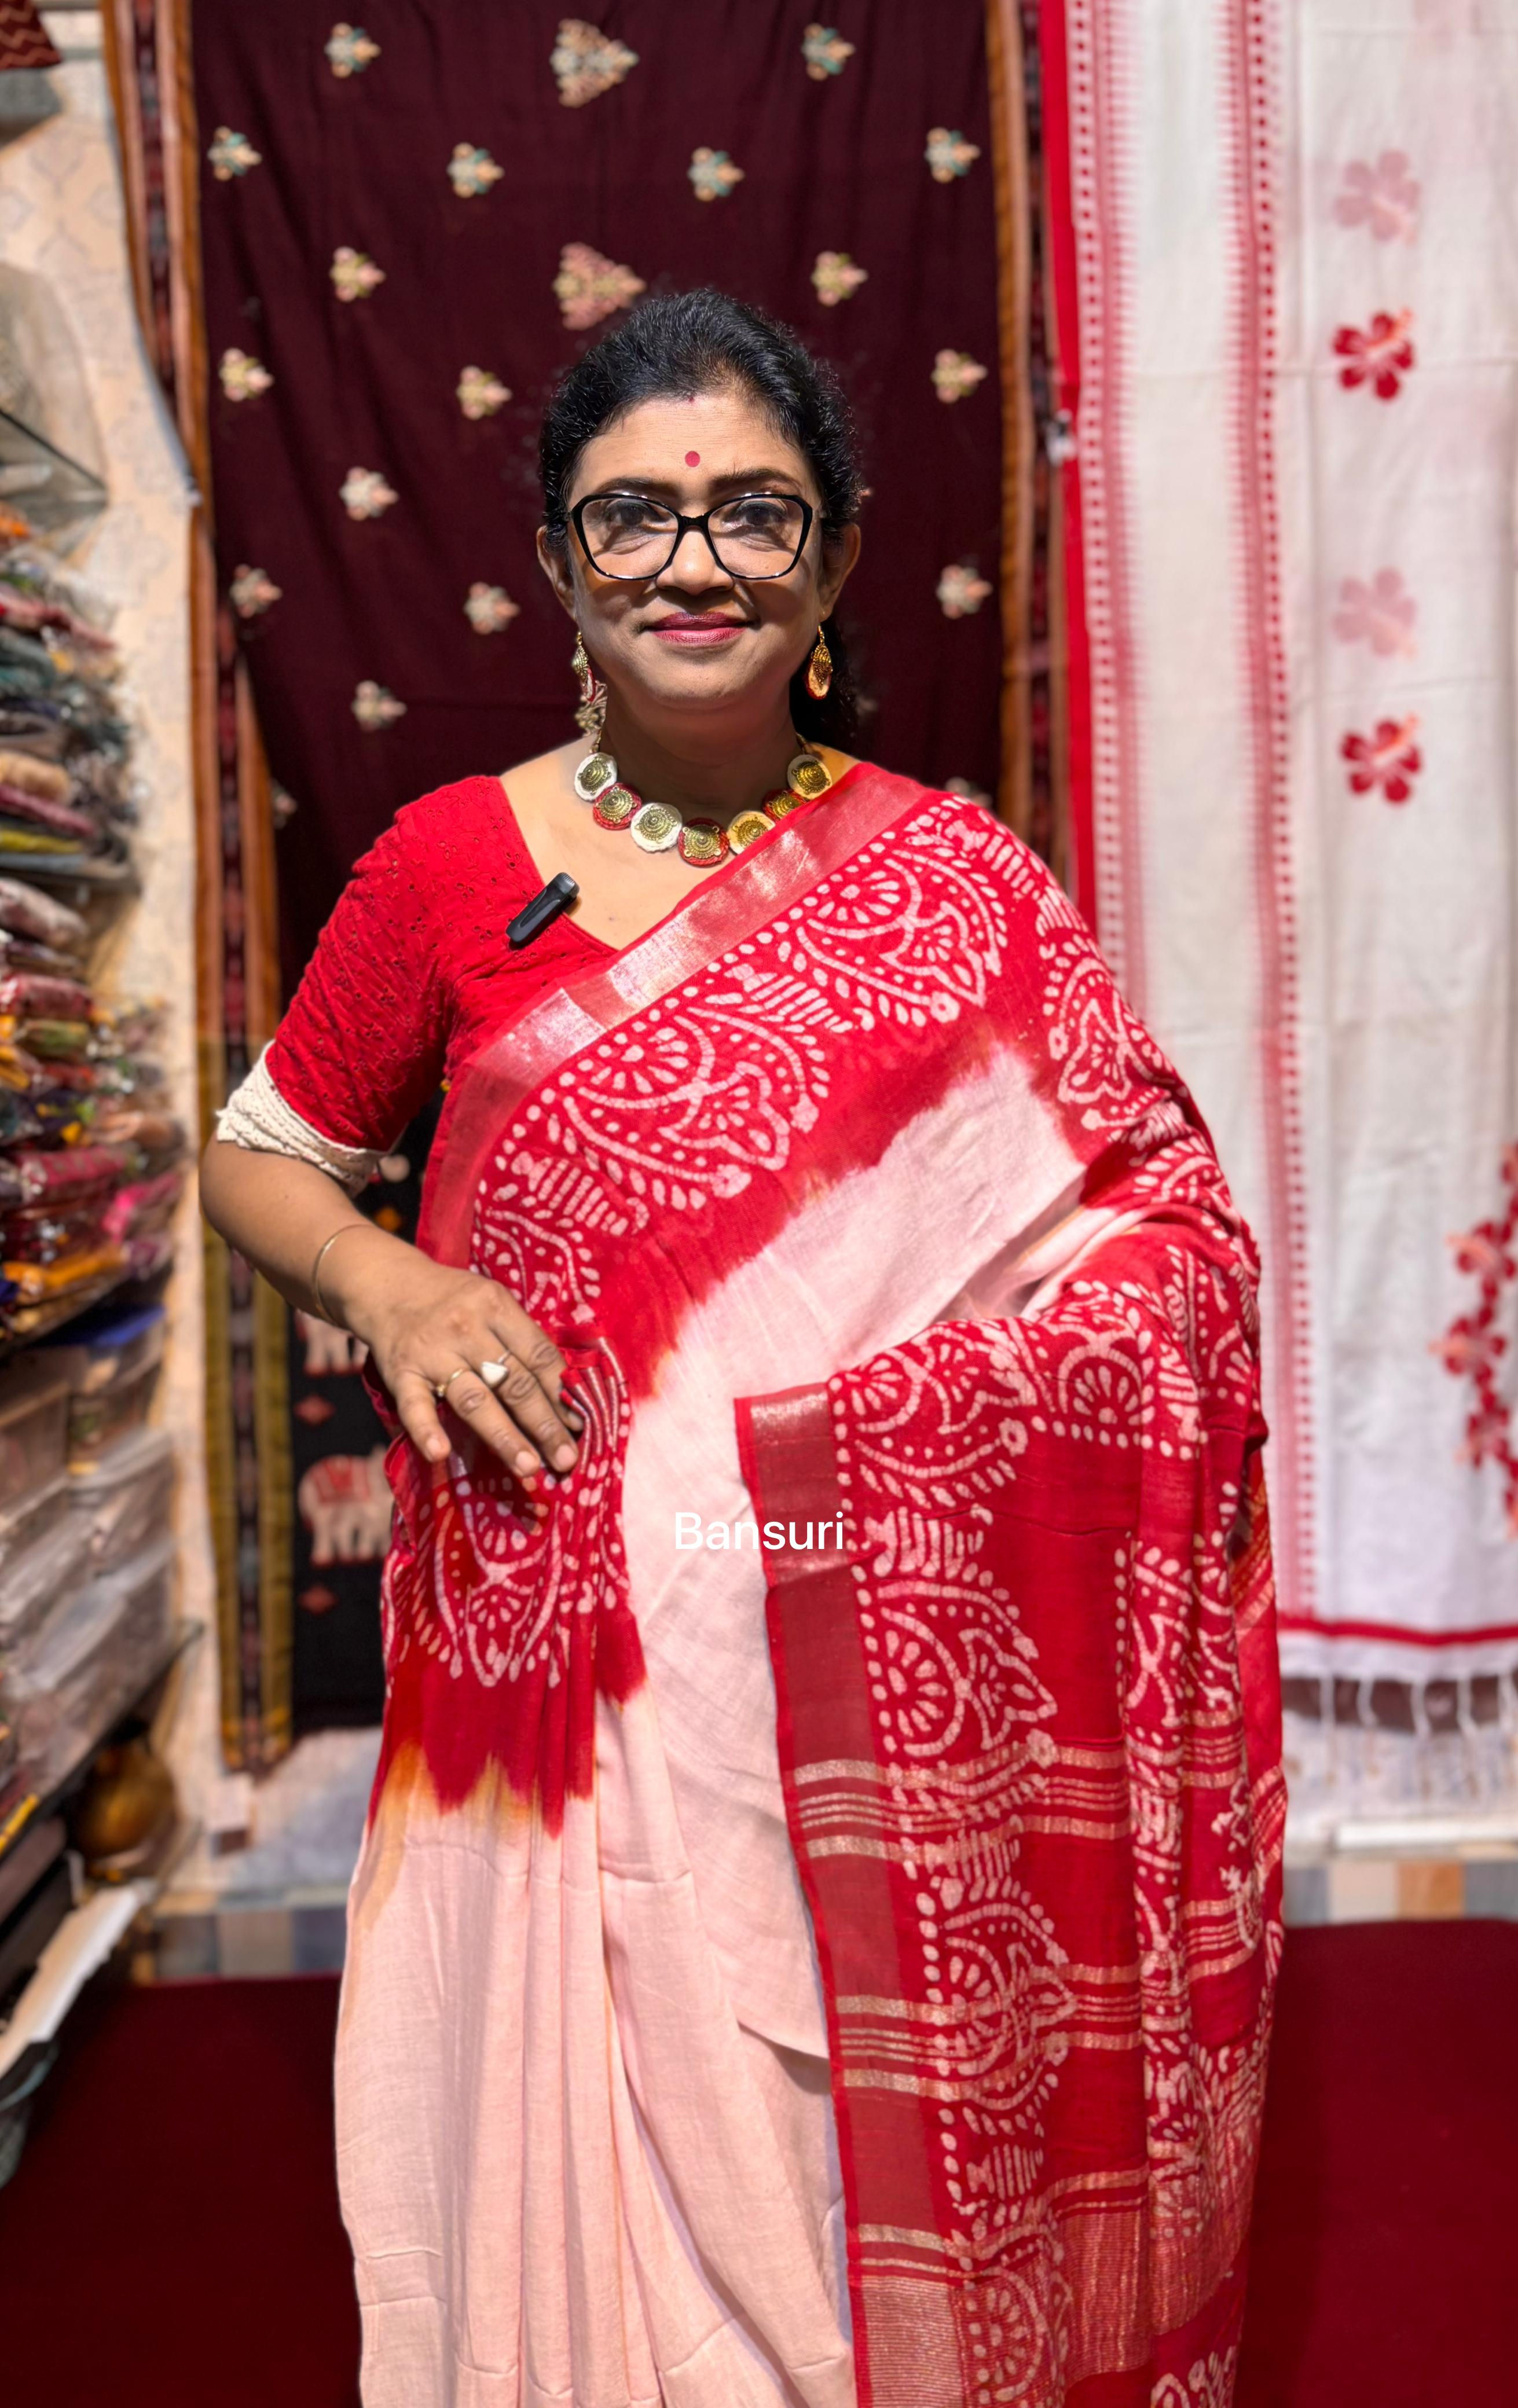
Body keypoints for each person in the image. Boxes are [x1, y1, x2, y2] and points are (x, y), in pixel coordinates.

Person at [200, 288, 1285, 2408]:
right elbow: (265, 1162)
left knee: (816, 2179)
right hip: (549, 1678)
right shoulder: (448, 868)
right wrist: (395, 1285)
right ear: (557, 566)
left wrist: (908, 1430)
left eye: (754, 516)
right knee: (568, 2205)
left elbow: (1165, 1226)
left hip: (852, 1677)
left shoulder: (956, 881)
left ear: (839, 558)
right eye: (634, 521)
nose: (695, 563)